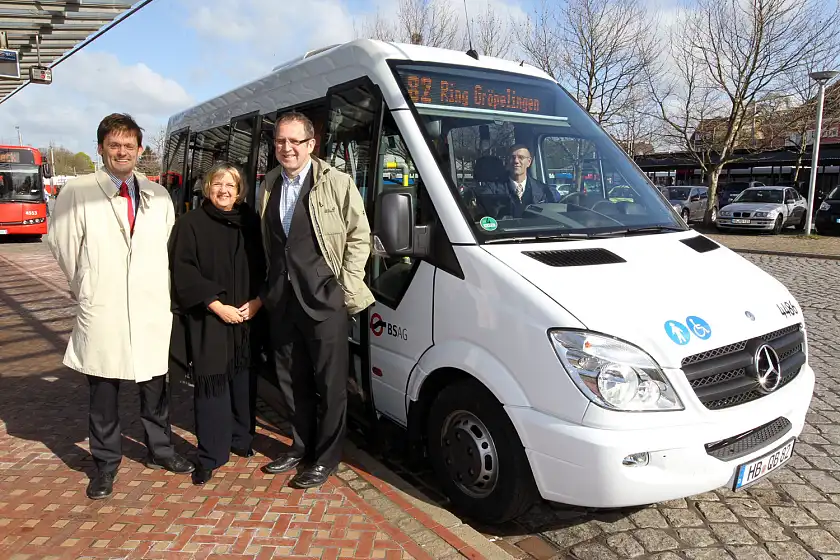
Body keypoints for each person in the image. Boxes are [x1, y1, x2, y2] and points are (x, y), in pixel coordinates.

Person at [46, 113, 194, 501]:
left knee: (154, 385)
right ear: (101, 149)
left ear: (140, 150)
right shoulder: (77, 191)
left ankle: (160, 451)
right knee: (104, 388)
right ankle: (105, 463)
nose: (122, 151)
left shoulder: (158, 195)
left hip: (149, 306)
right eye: (114, 145)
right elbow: (62, 245)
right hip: (105, 304)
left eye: (129, 145)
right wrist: (87, 285)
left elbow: (167, 246)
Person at [258, 111, 373, 489]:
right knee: (292, 380)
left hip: (325, 300)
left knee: (330, 383)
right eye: (280, 141)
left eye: (294, 141)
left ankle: (325, 458)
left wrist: (346, 285)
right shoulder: (270, 183)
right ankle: (300, 445)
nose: (286, 148)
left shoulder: (337, 183)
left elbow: (359, 236)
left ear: (311, 144)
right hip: (283, 300)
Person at [168, 162, 266, 485]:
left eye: (231, 186)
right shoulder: (191, 224)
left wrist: (257, 302)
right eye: (218, 184)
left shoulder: (250, 221)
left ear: (240, 192)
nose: (224, 191)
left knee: (243, 381)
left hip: (246, 315)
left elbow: (267, 264)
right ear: (207, 187)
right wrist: (216, 305)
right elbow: (184, 271)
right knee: (211, 385)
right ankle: (211, 453)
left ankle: (241, 438)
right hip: (210, 316)